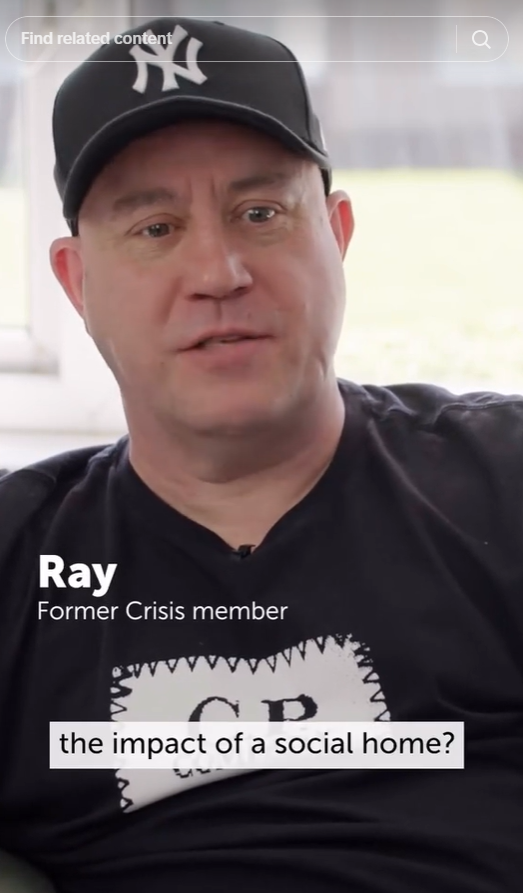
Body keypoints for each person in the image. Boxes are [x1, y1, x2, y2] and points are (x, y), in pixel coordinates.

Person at [0, 15, 521, 893]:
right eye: (154, 229)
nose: (219, 270)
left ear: (338, 234)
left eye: (260, 212)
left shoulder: (500, 482)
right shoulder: (18, 560)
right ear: (76, 283)